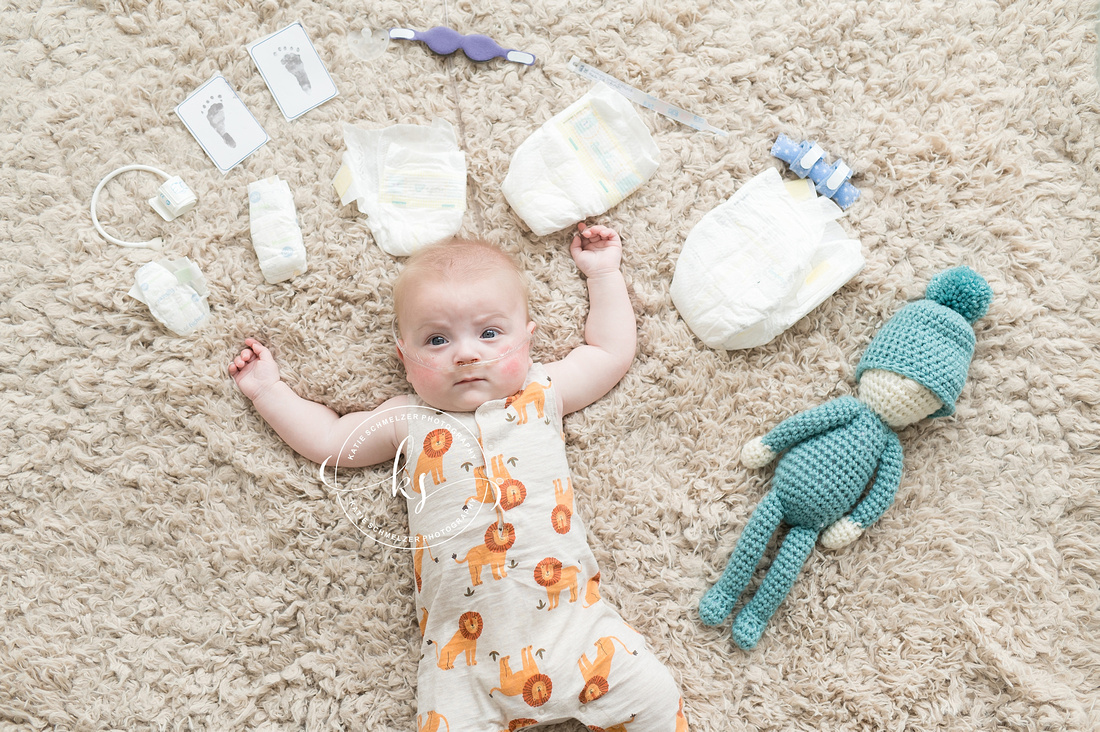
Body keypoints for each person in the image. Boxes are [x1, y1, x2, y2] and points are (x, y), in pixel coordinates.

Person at [229, 223, 688, 732]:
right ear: (405, 359)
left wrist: (603, 273)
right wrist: (268, 392)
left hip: (578, 632)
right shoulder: (409, 419)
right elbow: (331, 442)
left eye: (490, 333)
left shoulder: (541, 392)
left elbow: (609, 352)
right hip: (463, 659)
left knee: (654, 696)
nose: (466, 354)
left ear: (528, 342)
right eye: (437, 339)